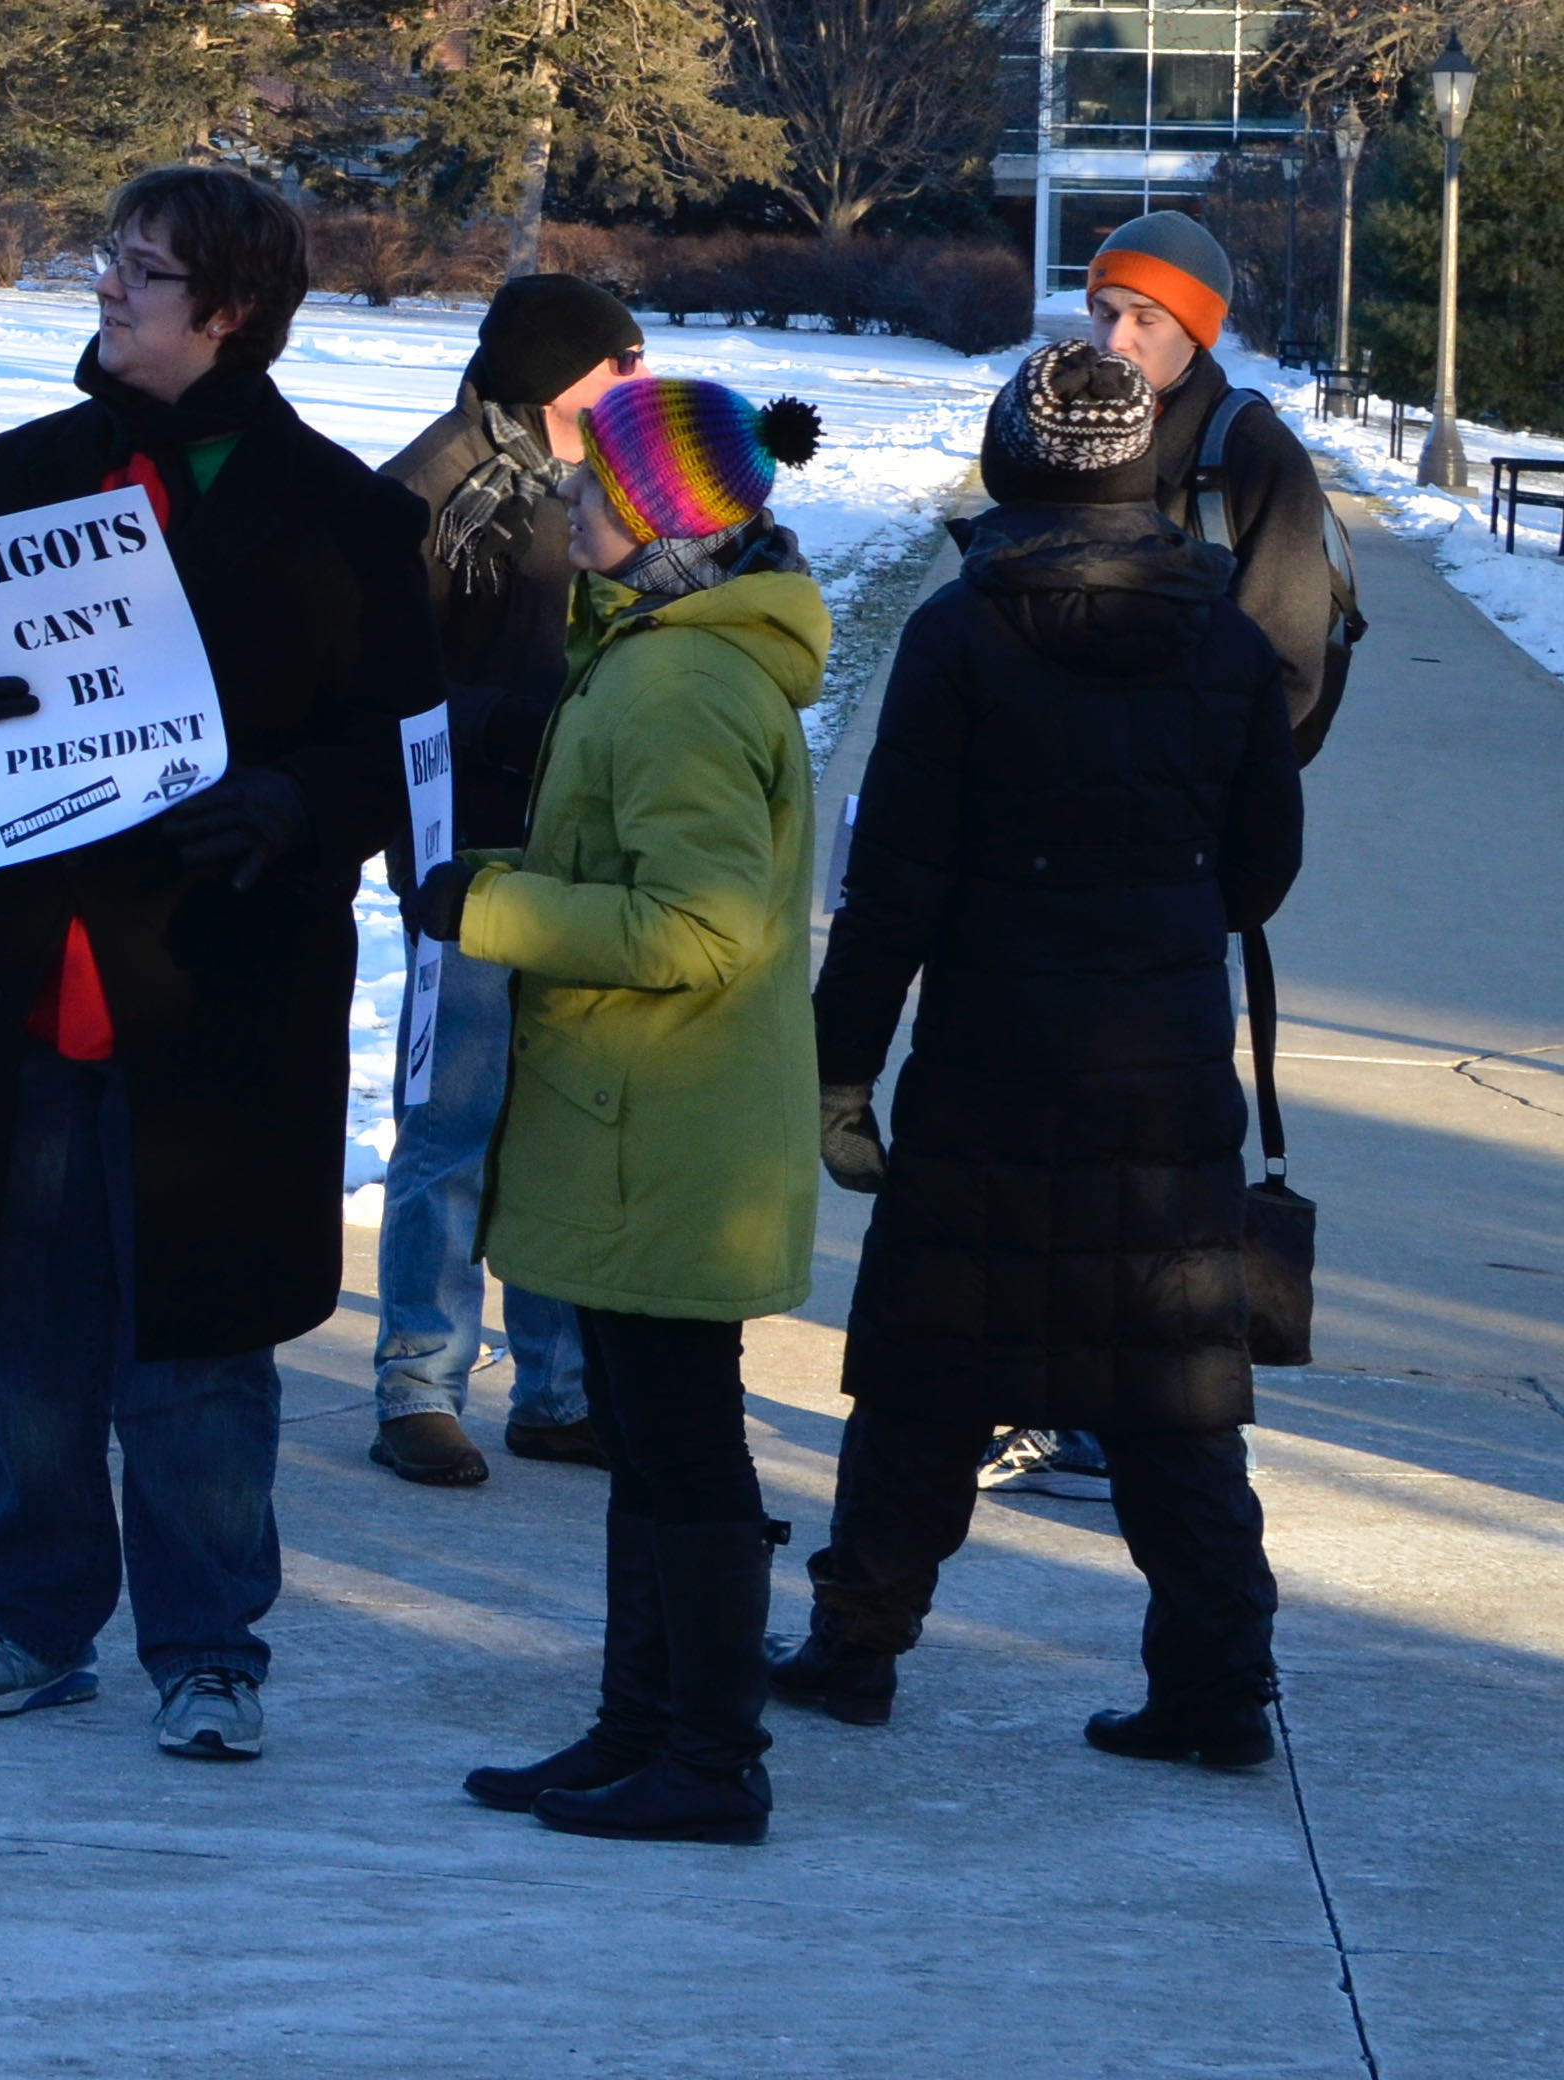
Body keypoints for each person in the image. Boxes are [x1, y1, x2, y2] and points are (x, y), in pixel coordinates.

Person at [0, 166, 439, 1765]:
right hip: (26, 979)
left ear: (232, 309)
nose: (105, 287)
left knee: (194, 1344)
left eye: (141, 269)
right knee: (23, 1326)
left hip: (216, 996)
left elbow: (416, 754)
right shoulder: (17, 472)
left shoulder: (345, 516)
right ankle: (32, 1618)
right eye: (109, 259)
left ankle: (208, 1646)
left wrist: (301, 801)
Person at [766, 341, 1306, 1768]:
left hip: (989, 1065)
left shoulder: (962, 633)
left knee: (932, 1373)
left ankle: (856, 1646)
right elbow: (1262, 868)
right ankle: (1219, 1685)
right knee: (1176, 1391)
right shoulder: (1233, 641)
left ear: (1013, 457)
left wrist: (840, 1071)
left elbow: (894, 890)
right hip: (1167, 1071)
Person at [416, 379, 833, 1846]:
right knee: (654, 1450)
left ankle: (710, 1761)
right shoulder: (657, 650)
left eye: (596, 486)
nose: (567, 503)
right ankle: (640, 1728)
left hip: (672, 1136)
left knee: (685, 1448)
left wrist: (492, 907)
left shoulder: (682, 684)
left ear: (662, 519)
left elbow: (702, 929)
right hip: (645, 1126)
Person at [989, 211, 1348, 1510]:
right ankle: (1056, 1394)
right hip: (1049, 853)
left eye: (1144, 318)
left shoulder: (1253, 456)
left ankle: (1124, 1413)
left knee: (1141, 1152)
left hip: (1173, 857)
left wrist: (1199, 810)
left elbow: (1285, 669)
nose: (1116, 338)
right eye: (1102, 312)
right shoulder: (1080, 422)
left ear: (1199, 327)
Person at [367, 272, 641, 1489]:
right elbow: (371, 681)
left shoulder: (594, 482)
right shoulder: (433, 489)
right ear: (553, 374)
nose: (638, 383)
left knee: (555, 1127)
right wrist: (498, 727)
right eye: (618, 363)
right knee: (451, 1124)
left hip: (574, 857)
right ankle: (418, 1381)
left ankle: (556, 1384)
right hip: (461, 857)